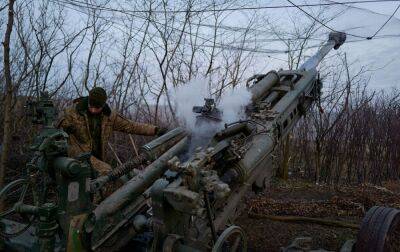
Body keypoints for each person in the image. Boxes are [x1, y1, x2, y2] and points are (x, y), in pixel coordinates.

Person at [57, 87, 167, 176]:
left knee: (105, 175)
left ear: (103, 105)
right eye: (91, 106)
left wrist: (155, 130)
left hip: (98, 157)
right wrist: (65, 127)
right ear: (88, 101)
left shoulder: (109, 117)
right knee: (106, 171)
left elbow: (131, 126)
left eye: (97, 107)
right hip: (78, 155)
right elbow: (56, 124)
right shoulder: (73, 112)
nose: (93, 110)